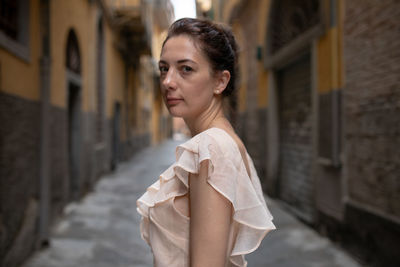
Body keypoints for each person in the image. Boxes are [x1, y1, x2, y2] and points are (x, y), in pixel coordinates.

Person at [136, 18, 275, 267]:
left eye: (186, 69)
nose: (168, 81)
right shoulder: (223, 141)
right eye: (164, 68)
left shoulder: (211, 149)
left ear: (220, 81)